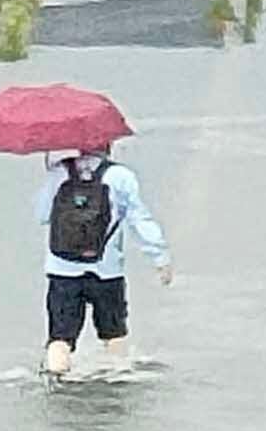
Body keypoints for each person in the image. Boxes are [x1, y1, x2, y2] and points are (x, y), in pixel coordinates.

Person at [35, 144, 172, 376]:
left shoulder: (59, 174)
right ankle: (117, 382)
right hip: (107, 272)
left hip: (62, 270)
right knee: (114, 335)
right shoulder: (120, 176)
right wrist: (160, 257)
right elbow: (140, 219)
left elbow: (41, 215)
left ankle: (55, 384)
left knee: (60, 339)